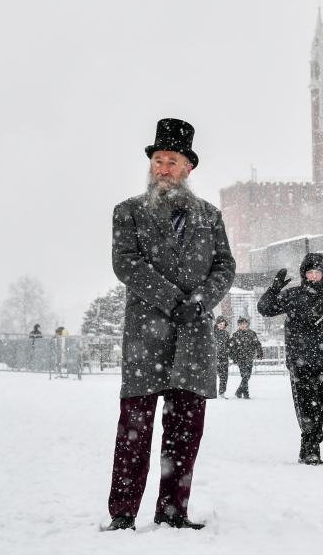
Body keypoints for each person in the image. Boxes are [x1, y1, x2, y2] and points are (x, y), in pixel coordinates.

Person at [104, 118, 236, 532]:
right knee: (134, 430)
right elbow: (126, 263)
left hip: (194, 338)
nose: (162, 169)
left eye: (171, 161)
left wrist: (199, 303)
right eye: (158, 161)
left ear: (188, 167)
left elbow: (225, 266)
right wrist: (174, 300)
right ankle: (123, 513)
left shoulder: (210, 216)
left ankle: (173, 511)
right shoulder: (128, 212)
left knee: (185, 432)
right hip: (146, 338)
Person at [257, 252, 323, 466]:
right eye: (310, 272)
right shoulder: (292, 295)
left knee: (321, 405)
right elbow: (264, 309)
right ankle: (311, 447)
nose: (314, 276)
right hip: (300, 363)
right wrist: (273, 290)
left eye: (318, 272)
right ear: (303, 273)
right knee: (305, 405)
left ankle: (310, 441)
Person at [228, 317, 263, 399]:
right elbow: (231, 347)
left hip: (249, 357)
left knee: (247, 375)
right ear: (238, 325)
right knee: (244, 375)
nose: (243, 325)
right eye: (241, 324)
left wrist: (260, 352)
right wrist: (233, 357)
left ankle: (239, 391)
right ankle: (246, 393)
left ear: (247, 324)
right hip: (240, 358)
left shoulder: (252, 334)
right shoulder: (236, 335)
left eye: (244, 324)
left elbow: (257, 344)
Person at [213, 316, 231, 398]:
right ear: (217, 324)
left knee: (224, 376)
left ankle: (222, 392)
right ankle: (210, 393)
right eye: (220, 324)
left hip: (224, 357)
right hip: (214, 357)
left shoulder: (226, 333)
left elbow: (228, 345)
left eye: (223, 324)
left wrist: (228, 351)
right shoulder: (212, 333)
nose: (221, 326)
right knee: (212, 376)